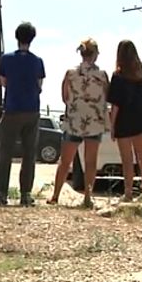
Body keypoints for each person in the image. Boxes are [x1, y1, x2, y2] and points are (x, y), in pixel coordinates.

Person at [0, 22, 46, 206]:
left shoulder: (6, 59)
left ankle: (1, 193)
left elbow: (3, 82)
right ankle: (25, 194)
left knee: (5, 153)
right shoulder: (38, 61)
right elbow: (39, 85)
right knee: (29, 153)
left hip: (11, 109)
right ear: (32, 39)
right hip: (32, 110)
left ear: (17, 37)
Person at [49, 39, 109, 208]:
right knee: (91, 161)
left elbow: (64, 97)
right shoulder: (102, 75)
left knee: (65, 160)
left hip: (74, 120)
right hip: (94, 120)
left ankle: (55, 195)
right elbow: (106, 96)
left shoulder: (70, 73)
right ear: (95, 54)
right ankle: (88, 197)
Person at [108, 40, 142, 202]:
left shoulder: (118, 76)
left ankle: (128, 192)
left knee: (127, 159)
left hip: (124, 120)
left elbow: (115, 104)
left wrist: (112, 125)